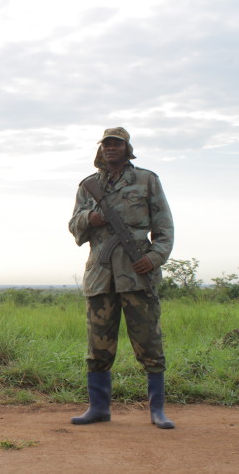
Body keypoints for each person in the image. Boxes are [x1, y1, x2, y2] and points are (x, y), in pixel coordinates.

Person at [68, 127, 175, 429]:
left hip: (138, 274)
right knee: (98, 346)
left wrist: (152, 259)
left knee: (149, 344)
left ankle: (158, 411)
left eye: (117, 144)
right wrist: (91, 218)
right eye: (106, 144)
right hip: (101, 276)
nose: (111, 149)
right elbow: (74, 225)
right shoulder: (89, 186)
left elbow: (165, 228)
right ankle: (98, 409)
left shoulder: (146, 180)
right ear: (100, 149)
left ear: (128, 149)